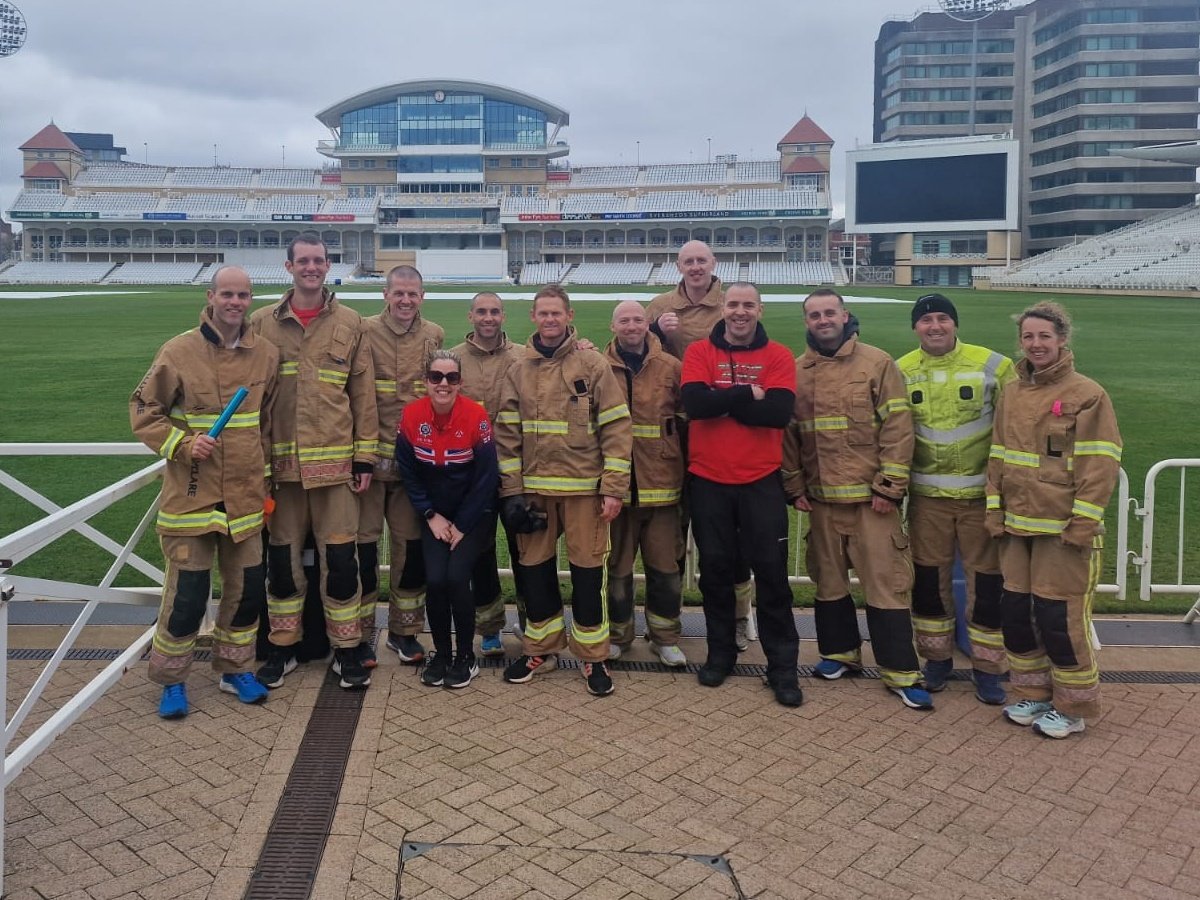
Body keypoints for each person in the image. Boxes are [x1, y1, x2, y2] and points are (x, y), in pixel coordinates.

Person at [131, 266, 278, 718]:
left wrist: (267, 479)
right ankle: (171, 680)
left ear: (250, 300)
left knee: (247, 589)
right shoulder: (178, 350)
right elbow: (144, 410)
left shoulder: (266, 355)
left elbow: (267, 424)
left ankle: (235, 669)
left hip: (246, 494)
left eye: (243, 295)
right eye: (227, 294)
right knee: (188, 594)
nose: (235, 302)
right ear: (211, 296)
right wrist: (182, 443)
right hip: (192, 493)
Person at [782, 288, 931, 710]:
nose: (823, 320)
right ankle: (840, 654)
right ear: (807, 322)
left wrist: (889, 487)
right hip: (823, 502)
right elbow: (790, 438)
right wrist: (794, 488)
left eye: (830, 312)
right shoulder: (797, 371)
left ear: (845, 316)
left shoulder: (877, 362)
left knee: (885, 588)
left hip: (872, 503)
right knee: (828, 584)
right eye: (814, 315)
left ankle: (901, 671)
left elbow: (898, 429)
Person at [987, 300, 1121, 739]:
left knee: (1058, 620)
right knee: (1018, 618)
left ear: (1062, 340)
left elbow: (1099, 465)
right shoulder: (1011, 391)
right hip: (1015, 528)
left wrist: (1082, 524)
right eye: (1029, 336)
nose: (1036, 344)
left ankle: (1074, 706)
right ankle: (1035, 694)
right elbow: (999, 457)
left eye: (1045, 336)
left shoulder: (1088, 394)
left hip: (1062, 533)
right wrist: (994, 509)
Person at [250, 233, 377, 691]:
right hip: (280, 473)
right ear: (289, 267)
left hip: (336, 470)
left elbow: (362, 396)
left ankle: (347, 649)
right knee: (282, 565)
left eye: (318, 260)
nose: (311, 267)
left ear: (328, 265)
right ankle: (282, 647)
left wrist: (365, 457)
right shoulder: (262, 323)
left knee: (342, 561)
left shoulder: (350, 322)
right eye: (302, 261)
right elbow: (253, 400)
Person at [494, 284, 633, 696]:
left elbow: (616, 428)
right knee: (534, 573)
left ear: (568, 316)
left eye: (557, 313)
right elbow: (507, 434)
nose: (550, 320)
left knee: (589, 577)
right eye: (543, 313)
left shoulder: (592, 364)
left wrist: (613, 488)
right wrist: (512, 491)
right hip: (534, 495)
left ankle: (593, 658)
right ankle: (541, 649)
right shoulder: (518, 369)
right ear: (534, 318)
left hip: (584, 494)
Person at [680, 282, 802, 708]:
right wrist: (746, 394)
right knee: (714, 573)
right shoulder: (699, 352)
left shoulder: (779, 356)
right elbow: (694, 404)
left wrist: (722, 401)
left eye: (748, 305)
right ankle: (720, 654)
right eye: (733, 304)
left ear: (759, 309)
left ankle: (783, 667)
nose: (740, 312)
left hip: (760, 481)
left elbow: (777, 414)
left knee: (771, 577)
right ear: (723, 308)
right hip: (709, 480)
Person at [897, 293, 1016, 704]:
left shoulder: (993, 365)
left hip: (981, 500)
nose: (934, 326)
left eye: (942, 318)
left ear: (955, 324)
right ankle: (936, 660)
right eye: (926, 319)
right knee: (929, 584)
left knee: (988, 585)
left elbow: (1014, 428)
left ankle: (988, 668)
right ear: (915, 327)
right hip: (927, 499)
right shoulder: (900, 371)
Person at [647, 239, 755, 649]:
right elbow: (637, 352)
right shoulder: (659, 306)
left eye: (701, 261)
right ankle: (666, 626)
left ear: (713, 264)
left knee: (727, 534)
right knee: (672, 533)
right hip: (674, 431)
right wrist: (657, 330)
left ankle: (739, 618)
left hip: (721, 430)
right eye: (688, 261)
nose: (695, 267)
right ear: (678, 265)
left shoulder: (730, 304)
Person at [394, 350, 498, 689]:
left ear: (460, 382)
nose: (443, 384)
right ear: (426, 382)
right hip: (434, 515)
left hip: (474, 515)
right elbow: (409, 473)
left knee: (456, 578)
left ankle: (465, 657)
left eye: (451, 378)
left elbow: (486, 479)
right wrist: (430, 515)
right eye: (436, 377)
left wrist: (463, 524)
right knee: (435, 580)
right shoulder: (411, 416)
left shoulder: (476, 416)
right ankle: (442, 653)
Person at [358, 265, 444, 666]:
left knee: (410, 551)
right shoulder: (363, 330)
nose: (406, 300)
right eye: (399, 293)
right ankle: (356, 633)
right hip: (369, 465)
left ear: (422, 296)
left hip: (413, 466)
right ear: (385, 295)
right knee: (362, 550)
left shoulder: (435, 336)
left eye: (413, 294)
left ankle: (404, 632)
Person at [603, 300, 687, 667]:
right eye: (625, 320)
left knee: (666, 571)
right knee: (618, 571)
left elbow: (687, 422)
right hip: (618, 490)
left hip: (663, 486)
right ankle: (619, 637)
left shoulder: (671, 367)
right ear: (613, 326)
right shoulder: (598, 368)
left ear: (647, 325)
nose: (632, 325)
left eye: (638, 319)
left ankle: (664, 637)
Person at [450, 291, 523, 656]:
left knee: (526, 550)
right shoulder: (454, 360)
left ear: (503, 315)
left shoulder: (523, 356)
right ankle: (490, 628)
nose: (488, 317)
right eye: (482, 311)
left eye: (495, 311)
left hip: (516, 472)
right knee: (480, 555)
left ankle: (534, 623)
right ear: (470, 316)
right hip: (470, 477)